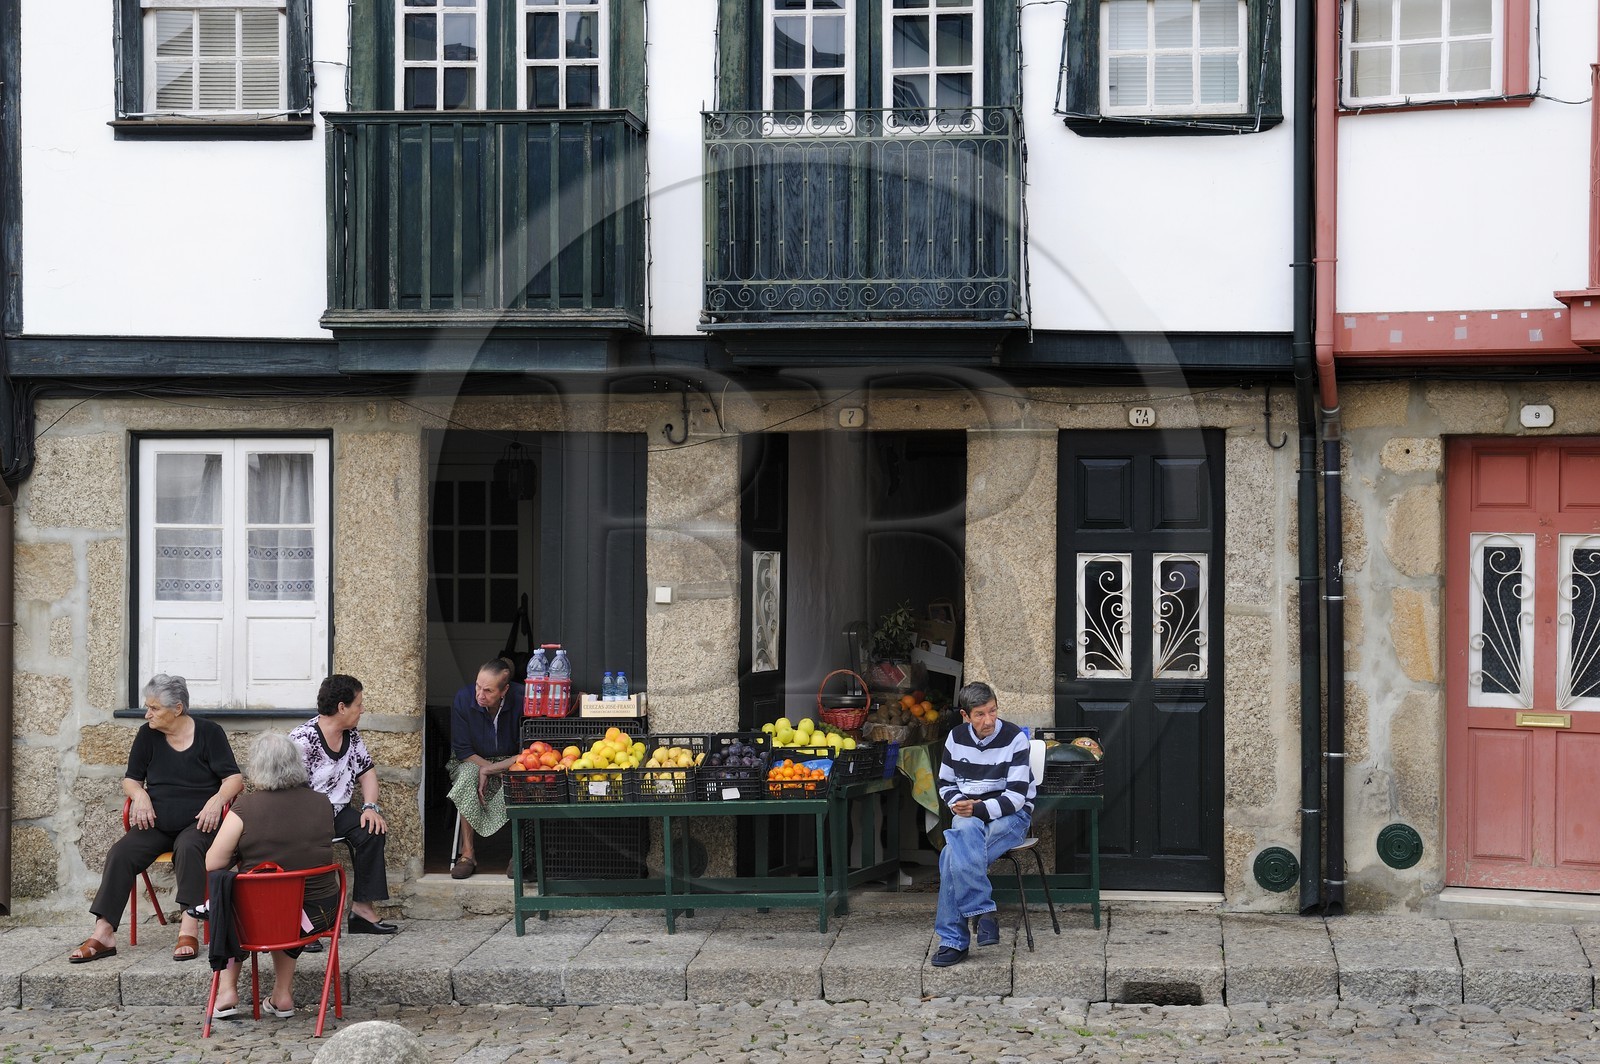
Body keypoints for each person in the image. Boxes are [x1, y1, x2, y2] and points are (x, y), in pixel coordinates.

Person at [68, 674, 244, 964]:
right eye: (147, 707)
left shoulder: (210, 733)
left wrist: (217, 801)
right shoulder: (147, 734)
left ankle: (189, 928)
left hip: (200, 823)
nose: (147, 713)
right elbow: (130, 779)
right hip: (157, 823)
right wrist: (139, 795)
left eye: (155, 708)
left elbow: (234, 779)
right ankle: (104, 933)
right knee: (121, 853)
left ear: (177, 709)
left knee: (188, 848)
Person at [204, 731, 341, 1019]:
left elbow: (213, 862)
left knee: (230, 894)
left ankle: (228, 990)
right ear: (296, 765)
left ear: (257, 768)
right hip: (318, 916)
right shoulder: (322, 803)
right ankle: (282, 995)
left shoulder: (244, 808)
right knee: (286, 902)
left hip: (258, 917)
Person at [930, 680, 1035, 968]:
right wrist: (957, 804)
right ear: (965, 715)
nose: (989, 720)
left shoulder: (1015, 737)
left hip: (1011, 818)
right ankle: (983, 913)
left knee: (952, 854)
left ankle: (954, 940)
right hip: (969, 818)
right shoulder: (955, 737)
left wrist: (975, 809)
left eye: (993, 711)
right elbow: (946, 783)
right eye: (980, 714)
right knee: (960, 839)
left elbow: (1015, 797)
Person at [288, 674, 397, 935]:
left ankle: (361, 910)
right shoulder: (303, 740)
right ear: (341, 707)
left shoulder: (352, 735)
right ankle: (303, 923)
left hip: (338, 812)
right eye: (358, 704)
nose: (362, 709)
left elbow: (367, 772)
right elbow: (290, 789)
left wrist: (370, 807)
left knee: (371, 831)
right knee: (304, 850)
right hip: (305, 816)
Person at [446, 659, 525, 879]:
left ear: (504, 690)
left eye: (488, 691)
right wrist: (487, 768)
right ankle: (467, 854)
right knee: (466, 779)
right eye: (478, 687)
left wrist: (493, 770)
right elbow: (463, 751)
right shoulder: (464, 698)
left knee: (523, 779)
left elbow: (529, 750)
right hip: (472, 759)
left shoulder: (522, 698)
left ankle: (518, 854)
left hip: (511, 760)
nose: (479, 695)